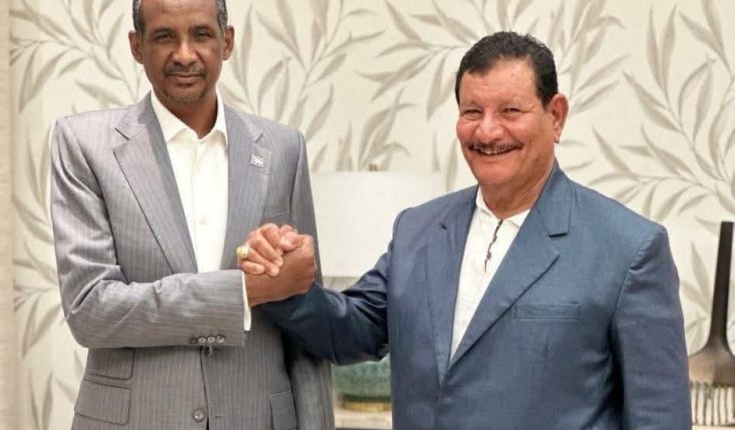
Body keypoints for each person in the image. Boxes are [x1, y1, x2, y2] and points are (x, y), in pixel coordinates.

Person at [240, 32, 691, 429]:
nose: (488, 131)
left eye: (510, 110)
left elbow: (659, 418)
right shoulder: (418, 230)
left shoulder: (630, 249)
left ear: (556, 116)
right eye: (472, 111)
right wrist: (280, 280)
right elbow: (351, 331)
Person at [49, 0, 333, 428]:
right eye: (165, 36)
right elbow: (90, 310)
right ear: (137, 46)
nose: (184, 54)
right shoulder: (84, 144)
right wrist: (241, 292)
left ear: (227, 41)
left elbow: (306, 323)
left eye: (200, 34)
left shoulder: (283, 149)